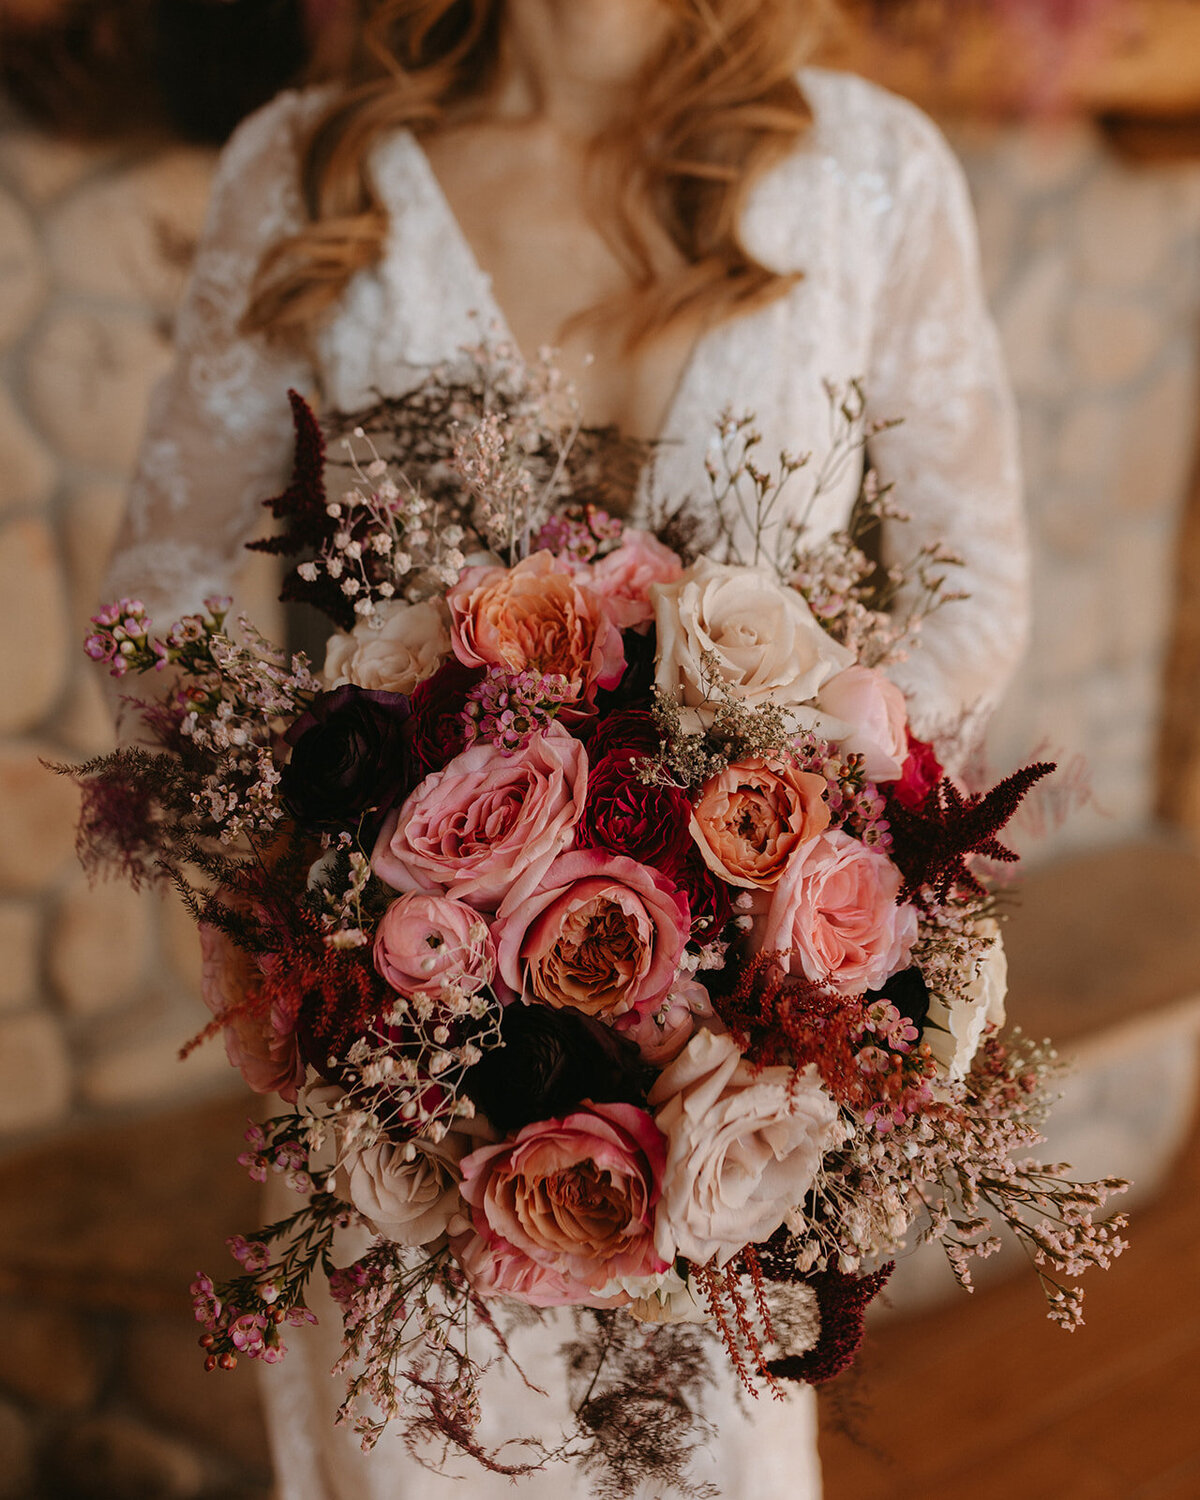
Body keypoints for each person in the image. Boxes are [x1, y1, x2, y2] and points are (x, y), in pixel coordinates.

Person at [104, 1, 1030, 1495]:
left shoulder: (873, 170)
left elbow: (972, 590)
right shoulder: (308, 167)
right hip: (416, 1078)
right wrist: (318, 914)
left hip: (734, 1096)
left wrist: (787, 900)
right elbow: (162, 594)